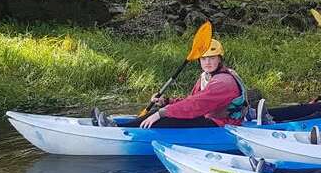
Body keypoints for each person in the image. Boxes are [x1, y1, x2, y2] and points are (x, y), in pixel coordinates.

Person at [95, 39, 249, 128]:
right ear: (199, 60)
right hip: (210, 118)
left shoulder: (223, 82)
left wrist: (161, 113)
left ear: (219, 59)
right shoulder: (206, 77)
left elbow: (196, 105)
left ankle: (117, 129)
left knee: (163, 118)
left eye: (212, 58)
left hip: (223, 124)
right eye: (203, 58)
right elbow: (191, 100)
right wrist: (166, 102)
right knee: (160, 114)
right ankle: (118, 125)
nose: (207, 62)